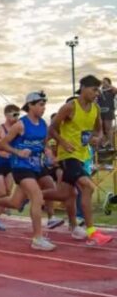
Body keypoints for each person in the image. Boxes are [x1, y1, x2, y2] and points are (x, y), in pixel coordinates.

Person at [0, 92, 57, 251]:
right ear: (30, 105)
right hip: (20, 167)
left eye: (44, 105)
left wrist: (49, 154)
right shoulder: (20, 125)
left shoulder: (43, 124)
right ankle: (37, 238)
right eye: (40, 105)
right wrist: (18, 152)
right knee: (37, 196)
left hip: (36, 166)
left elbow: (44, 144)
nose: (43, 108)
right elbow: (2, 143)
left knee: (14, 203)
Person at [49, 75, 112, 246]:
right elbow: (52, 128)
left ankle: (32, 195)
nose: (97, 93)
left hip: (83, 155)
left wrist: (97, 138)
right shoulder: (69, 107)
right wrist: (62, 141)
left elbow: (99, 130)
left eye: (98, 90)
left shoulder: (96, 109)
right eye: (94, 89)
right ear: (83, 88)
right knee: (88, 186)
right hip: (68, 155)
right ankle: (92, 232)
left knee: (63, 194)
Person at [98, 77, 116, 151]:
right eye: (103, 82)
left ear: (109, 82)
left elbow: (115, 90)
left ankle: (110, 145)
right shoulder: (100, 91)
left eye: (105, 82)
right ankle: (102, 145)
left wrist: (109, 86)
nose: (103, 83)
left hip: (109, 111)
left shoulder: (111, 91)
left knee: (109, 128)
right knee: (101, 129)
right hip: (100, 112)